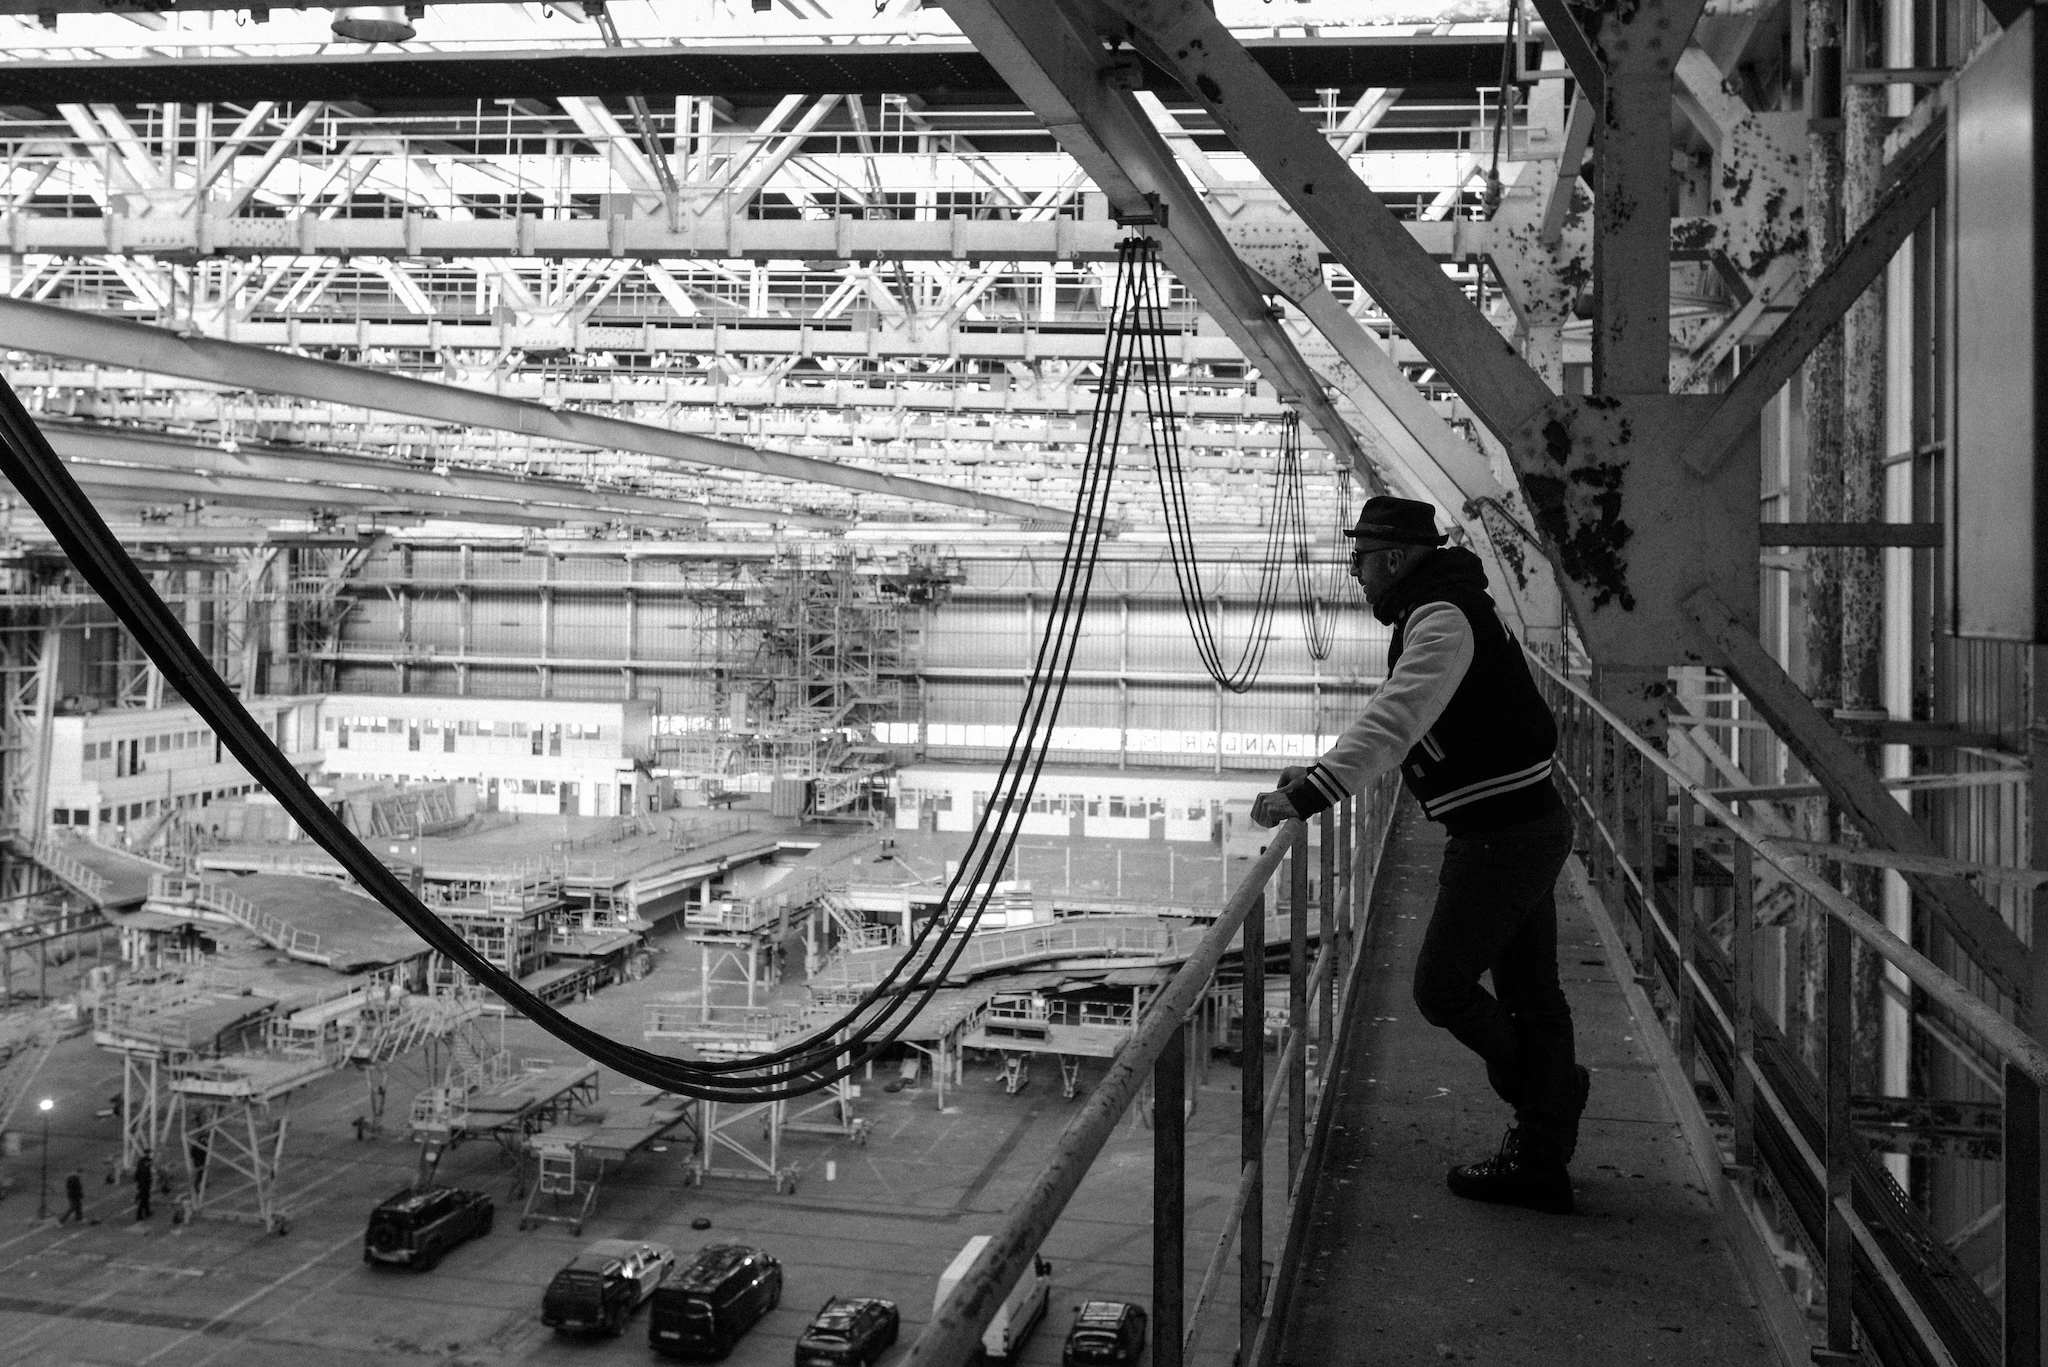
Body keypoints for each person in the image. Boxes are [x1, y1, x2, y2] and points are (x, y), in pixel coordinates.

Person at [1251, 496, 1590, 1215]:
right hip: (1524, 824)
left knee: (1442, 987)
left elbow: (1400, 715)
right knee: (1534, 995)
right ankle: (1543, 1152)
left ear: (1397, 558)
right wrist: (1321, 766)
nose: (1356, 572)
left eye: (1362, 559)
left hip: (1501, 838)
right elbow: (1402, 709)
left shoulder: (1440, 616)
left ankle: (1545, 1096)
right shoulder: (1442, 605)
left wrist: (1314, 790)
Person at [133, 1150, 153, 1221]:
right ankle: (139, 1215)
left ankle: (147, 1211)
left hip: (144, 1183)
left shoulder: (143, 1161)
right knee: (143, 1199)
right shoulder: (143, 1163)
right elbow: (142, 1172)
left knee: (146, 1198)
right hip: (143, 1183)